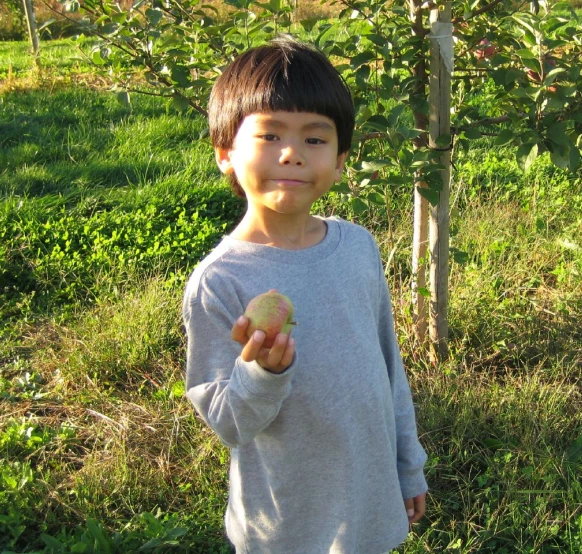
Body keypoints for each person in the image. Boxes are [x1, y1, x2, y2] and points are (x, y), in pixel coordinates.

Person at [182, 35, 428, 554]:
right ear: (226, 153)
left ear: (340, 161)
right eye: (269, 135)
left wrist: (408, 467)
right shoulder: (220, 281)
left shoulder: (357, 248)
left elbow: (388, 369)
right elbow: (229, 422)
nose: (292, 153)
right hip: (285, 517)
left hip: (368, 497)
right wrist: (262, 373)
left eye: (316, 140)